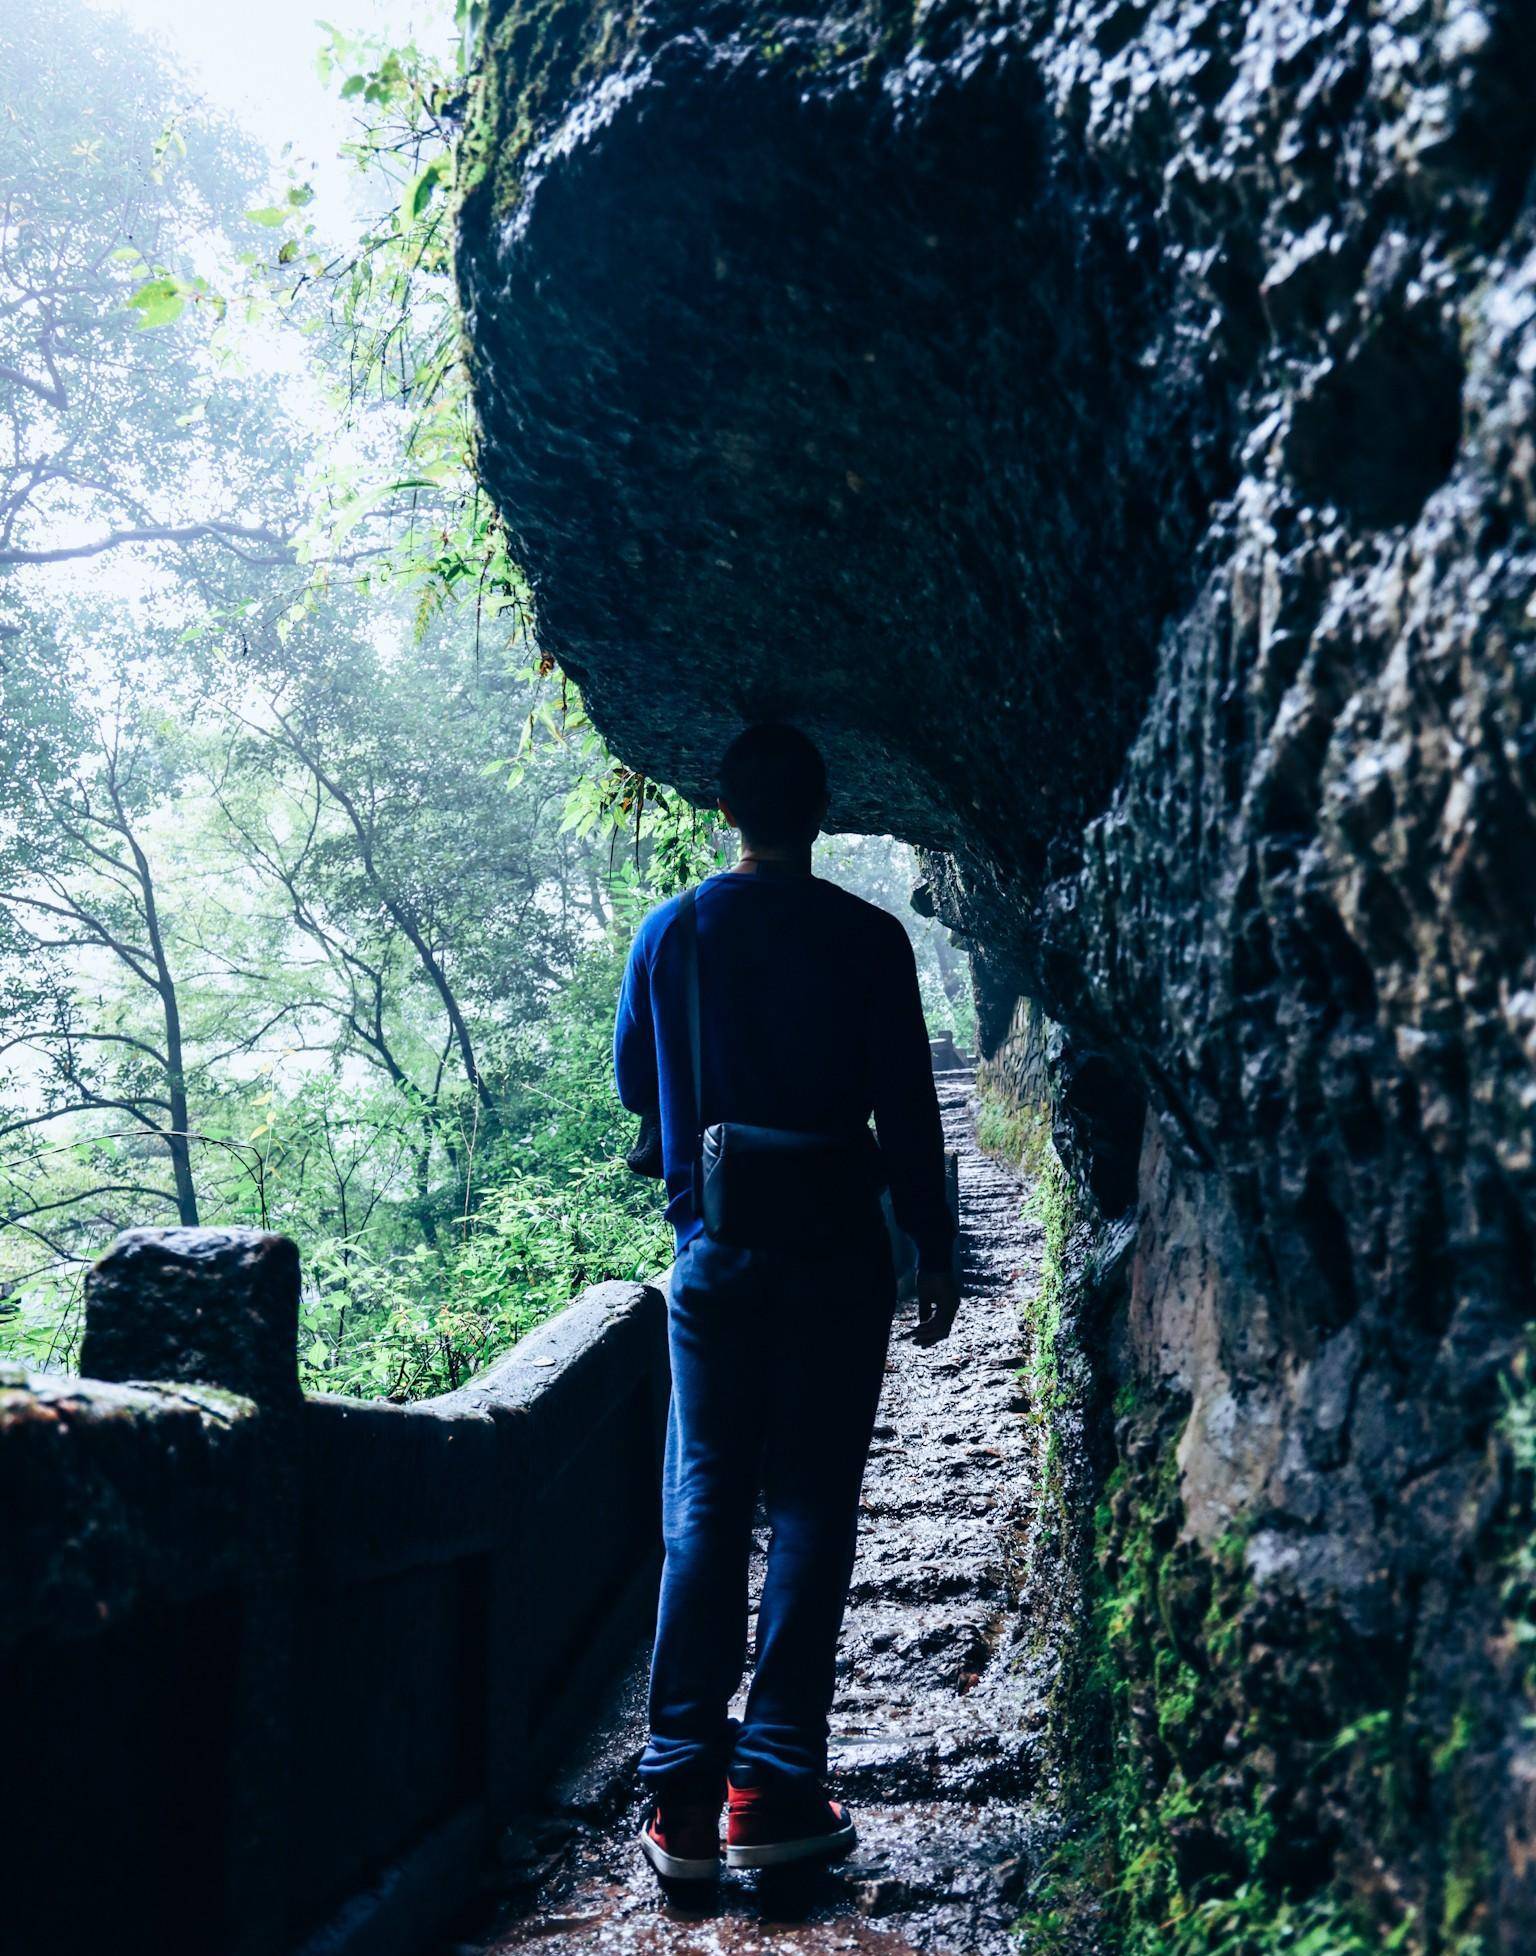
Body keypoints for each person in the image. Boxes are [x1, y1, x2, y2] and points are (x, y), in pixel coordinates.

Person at [613, 722, 961, 1882]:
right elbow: (909, 1107)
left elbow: (631, 1082)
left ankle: (679, 1799)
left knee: (705, 1503)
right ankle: (775, 1787)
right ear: (820, 813)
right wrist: (936, 1248)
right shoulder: (868, 937)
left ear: (729, 812)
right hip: (837, 1260)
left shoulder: (673, 932)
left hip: (715, 1252)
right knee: (813, 1502)